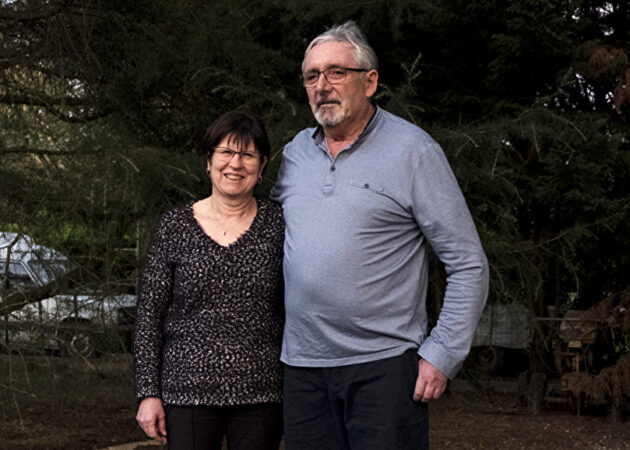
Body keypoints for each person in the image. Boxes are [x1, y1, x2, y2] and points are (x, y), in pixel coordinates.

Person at [270, 21, 489, 449]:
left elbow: (467, 261)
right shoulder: (296, 153)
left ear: (369, 82)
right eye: (312, 76)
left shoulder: (414, 151)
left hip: (385, 370)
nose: (322, 86)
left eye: (336, 72)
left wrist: (442, 353)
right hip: (302, 369)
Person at [134, 111, 284, 449]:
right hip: (186, 392)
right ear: (209, 160)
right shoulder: (175, 226)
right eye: (226, 152)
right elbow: (148, 316)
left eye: (247, 155)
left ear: (261, 167)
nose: (235, 163)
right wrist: (148, 393)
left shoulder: (279, 225)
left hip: (262, 394)